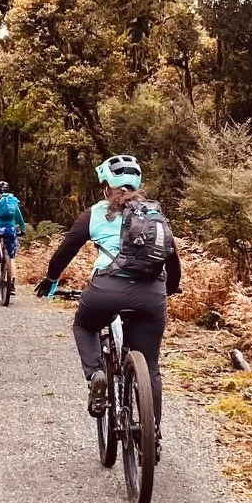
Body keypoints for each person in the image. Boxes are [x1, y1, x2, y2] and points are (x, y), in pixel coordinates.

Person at [35, 154, 181, 427]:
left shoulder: (96, 213)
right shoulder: (154, 215)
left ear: (106, 187)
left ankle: (96, 375)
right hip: (151, 294)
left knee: (84, 326)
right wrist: (169, 289)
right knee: (150, 367)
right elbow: (171, 257)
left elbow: (64, 252)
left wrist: (51, 279)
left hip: (106, 290)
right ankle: (153, 433)